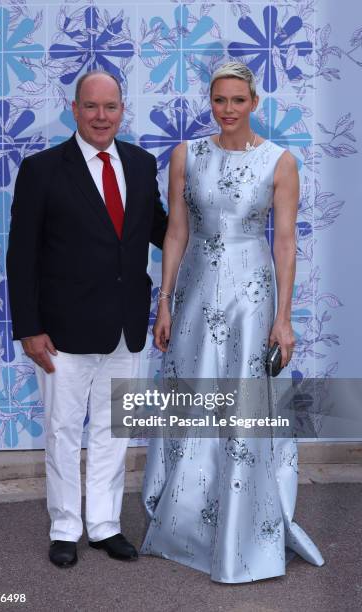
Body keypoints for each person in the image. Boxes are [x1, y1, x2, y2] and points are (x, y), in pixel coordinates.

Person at [141, 62, 324, 583]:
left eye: (237, 100)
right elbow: (176, 232)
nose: (227, 110)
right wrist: (166, 301)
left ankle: (244, 532)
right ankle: (185, 525)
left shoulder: (279, 161)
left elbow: (284, 242)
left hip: (251, 296)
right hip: (196, 291)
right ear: (210, 100)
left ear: (254, 101)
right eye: (219, 100)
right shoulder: (186, 154)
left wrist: (283, 319)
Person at [6, 71, 167, 568]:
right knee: (62, 431)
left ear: (123, 110)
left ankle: (104, 525)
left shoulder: (141, 165)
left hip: (125, 327)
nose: (102, 117)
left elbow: (162, 231)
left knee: (112, 431)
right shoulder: (42, 169)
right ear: (74, 109)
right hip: (62, 332)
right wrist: (29, 328)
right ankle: (64, 527)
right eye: (92, 107)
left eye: (111, 107)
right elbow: (21, 255)